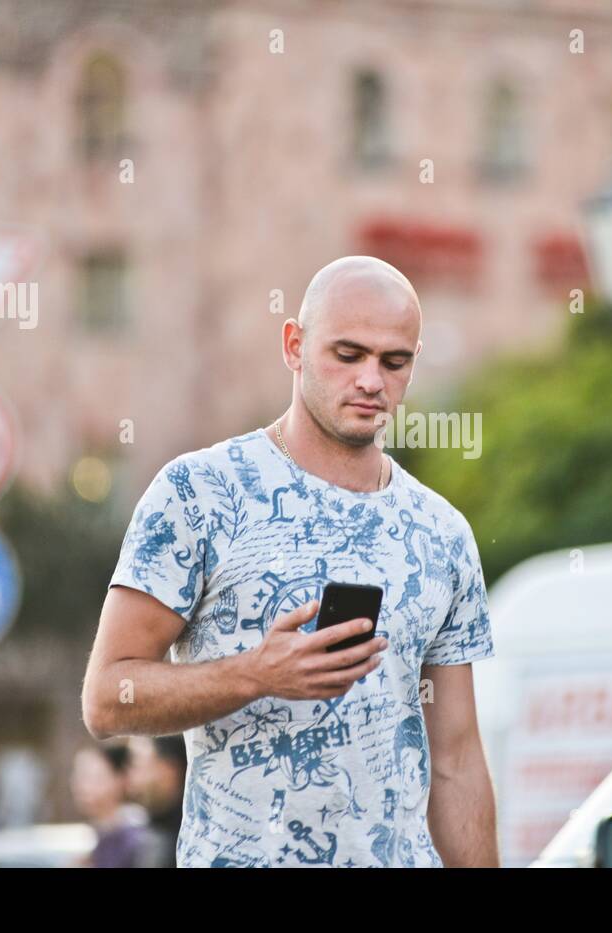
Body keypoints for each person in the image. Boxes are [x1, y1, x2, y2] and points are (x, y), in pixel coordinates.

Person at [82, 255, 499, 867]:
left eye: (394, 361)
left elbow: (458, 758)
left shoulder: (443, 533)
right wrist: (257, 673)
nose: (371, 381)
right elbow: (105, 699)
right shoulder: (201, 492)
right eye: (348, 354)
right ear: (294, 346)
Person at [69, 741, 158, 868]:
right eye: (78, 776)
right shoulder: (101, 833)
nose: (80, 786)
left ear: (120, 779)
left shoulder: (136, 836)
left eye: (93, 777)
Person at [126, 735, 187, 867]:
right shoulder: (151, 832)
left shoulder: (195, 840)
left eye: (136, 765)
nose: (129, 778)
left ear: (169, 770)